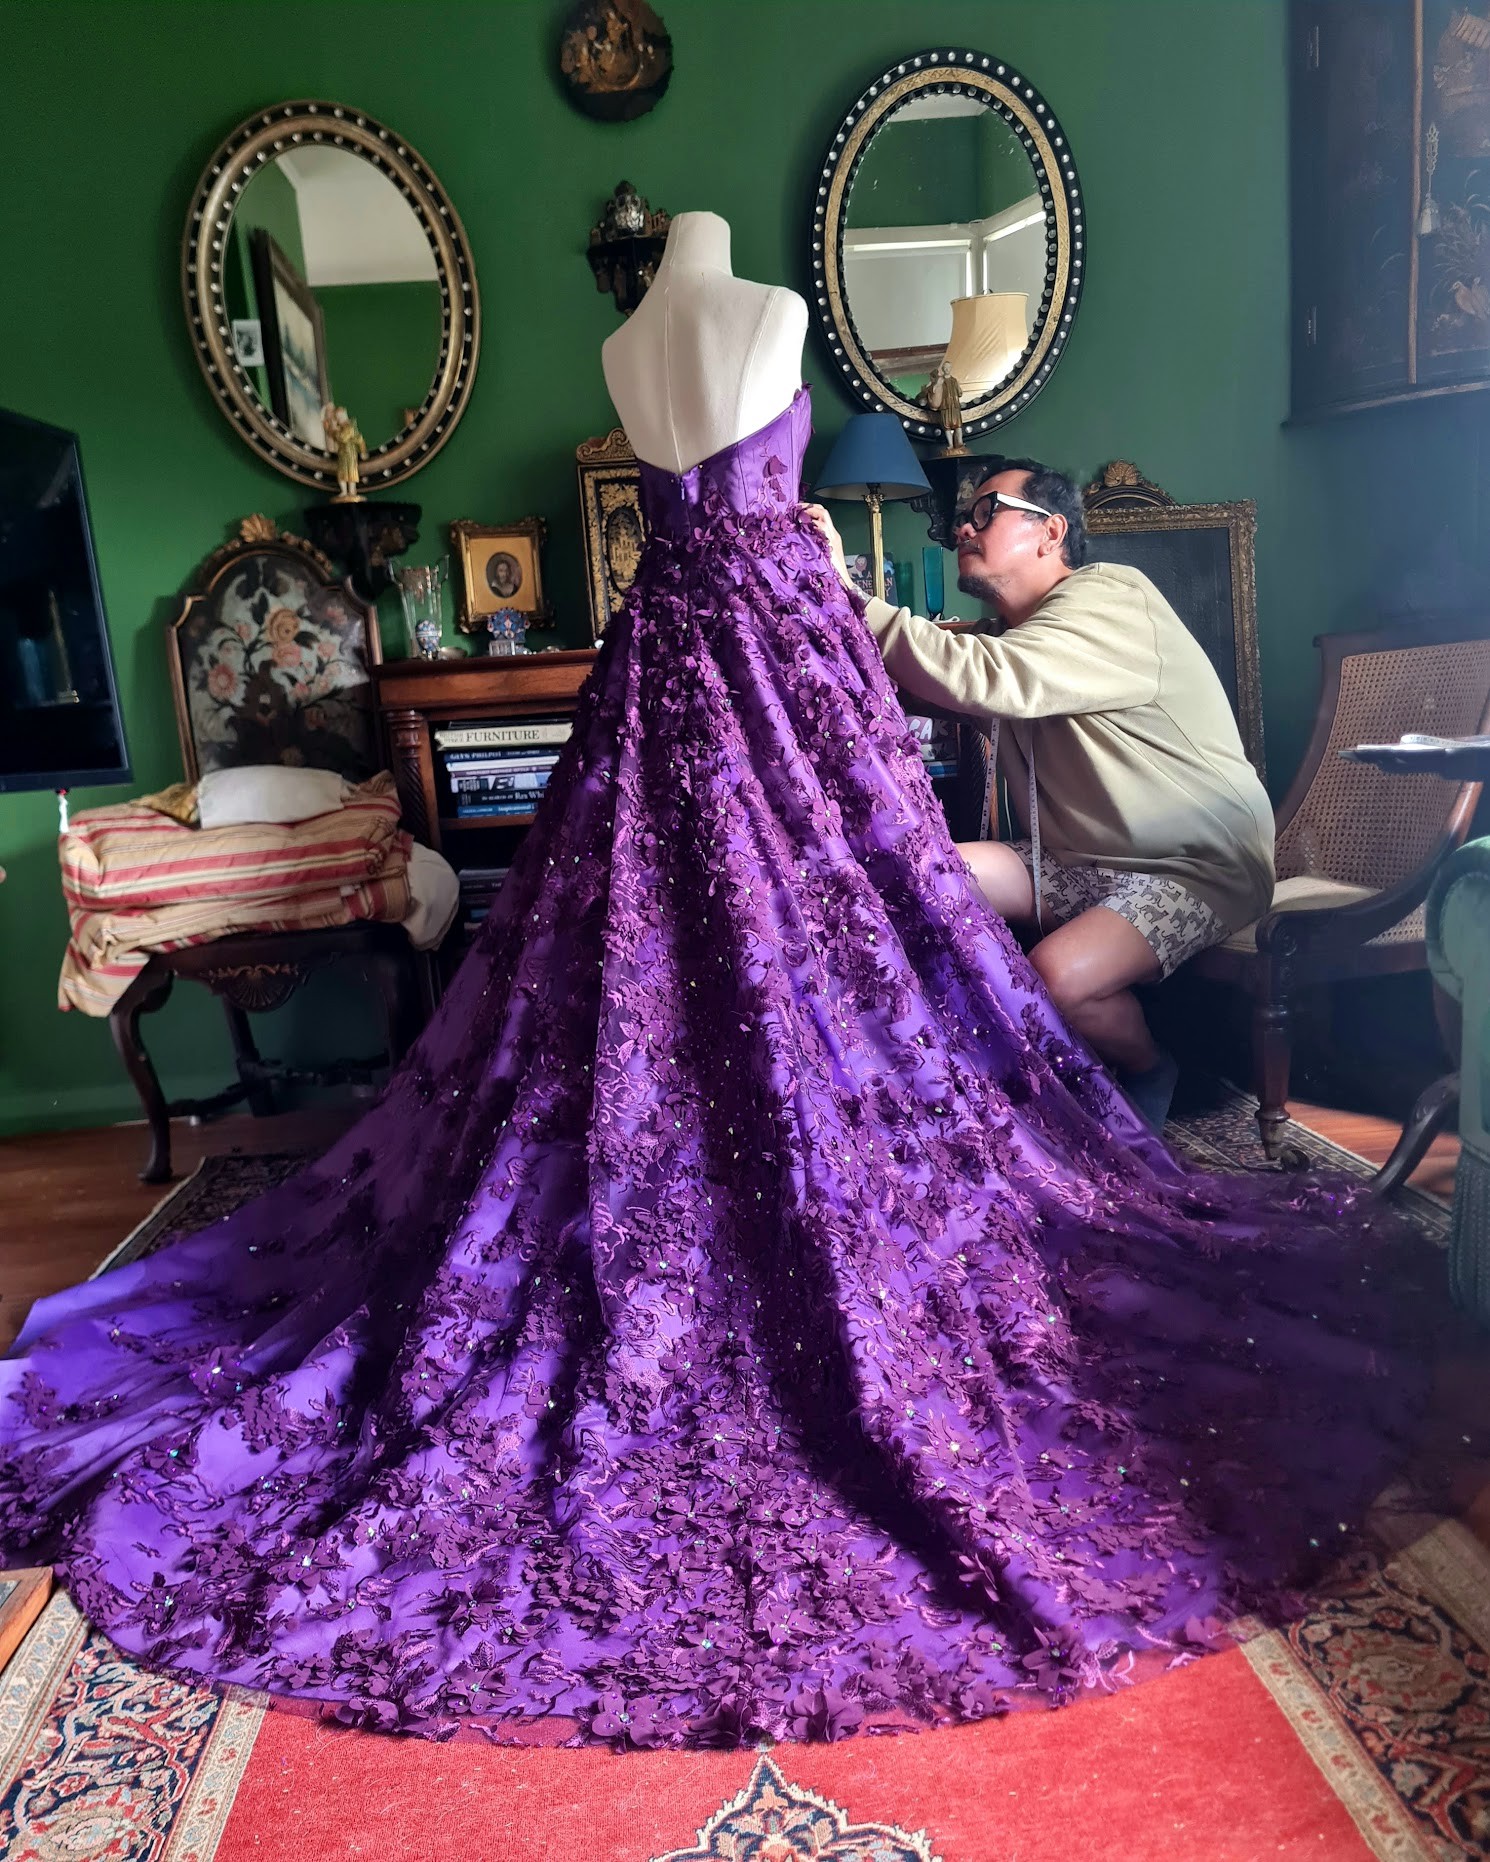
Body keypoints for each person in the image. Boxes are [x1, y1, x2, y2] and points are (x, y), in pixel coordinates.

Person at [0, 214, 1431, 1751]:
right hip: (764, 638)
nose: (976, 527)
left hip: (670, 643)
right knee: (759, 930)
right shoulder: (752, 308)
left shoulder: (641, 340)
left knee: (774, 925)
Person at [807, 462, 1274, 1132]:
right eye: (964, 517)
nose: (964, 527)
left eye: (987, 510)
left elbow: (982, 679)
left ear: (1051, 531)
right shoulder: (1023, 638)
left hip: (1195, 861)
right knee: (919, 869)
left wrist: (843, 589)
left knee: (1053, 978)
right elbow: (938, 679)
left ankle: (1149, 1070)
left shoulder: (1113, 597)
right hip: (1079, 855)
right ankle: (944, 1086)